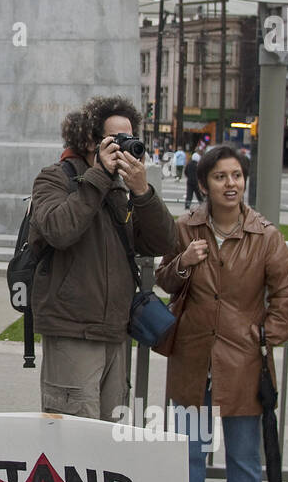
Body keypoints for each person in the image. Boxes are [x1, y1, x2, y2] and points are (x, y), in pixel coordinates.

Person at [155, 145, 288, 482]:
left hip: (244, 360)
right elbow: (166, 280)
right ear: (204, 184)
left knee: (244, 455)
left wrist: (266, 335)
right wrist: (184, 261)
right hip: (193, 356)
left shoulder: (265, 235)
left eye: (236, 175)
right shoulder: (186, 229)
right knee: (190, 453)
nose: (230, 183)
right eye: (220, 176)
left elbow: (286, 290)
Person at [29, 96, 177, 420]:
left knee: (107, 444)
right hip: (73, 333)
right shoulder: (55, 178)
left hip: (115, 333)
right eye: (115, 139)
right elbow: (58, 229)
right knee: (72, 440)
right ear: (90, 140)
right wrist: (97, 177)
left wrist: (142, 192)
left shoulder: (119, 191)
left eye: (130, 139)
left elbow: (165, 241)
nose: (123, 148)